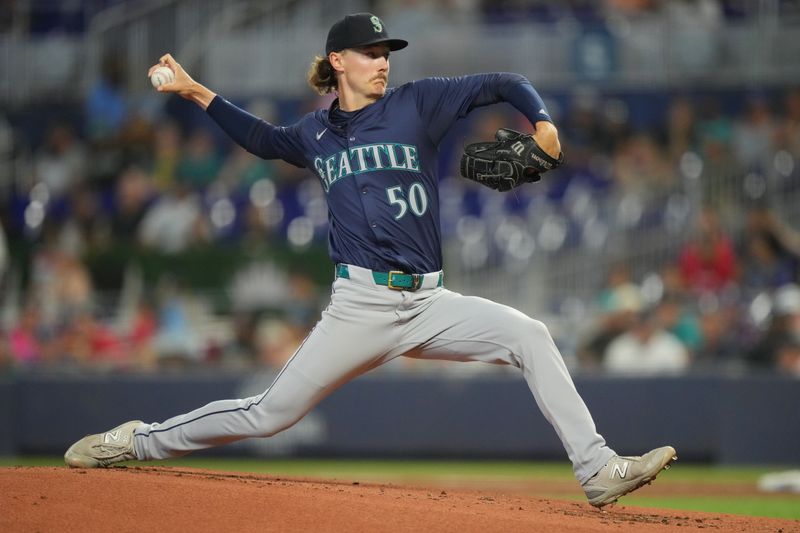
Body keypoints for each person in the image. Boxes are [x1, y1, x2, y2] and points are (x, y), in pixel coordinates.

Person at [64, 12, 675, 508]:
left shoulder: (418, 103)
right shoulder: (315, 134)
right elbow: (262, 140)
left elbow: (504, 81)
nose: (383, 61)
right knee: (268, 414)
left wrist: (540, 121)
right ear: (339, 61)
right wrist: (196, 90)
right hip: (360, 304)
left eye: (387, 52)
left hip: (430, 301)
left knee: (531, 336)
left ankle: (597, 469)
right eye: (371, 52)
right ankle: (136, 441)